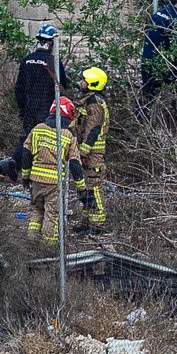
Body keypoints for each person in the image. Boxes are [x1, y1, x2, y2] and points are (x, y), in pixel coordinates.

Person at [15, 96, 90, 245]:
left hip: (36, 180)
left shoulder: (37, 130)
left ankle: (31, 242)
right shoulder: (68, 136)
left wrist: (25, 176)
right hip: (54, 184)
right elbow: (75, 164)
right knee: (52, 214)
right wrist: (82, 188)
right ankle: (49, 248)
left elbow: (26, 154)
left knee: (37, 210)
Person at [13, 24, 66, 152]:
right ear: (51, 42)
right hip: (48, 112)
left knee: (28, 141)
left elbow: (18, 89)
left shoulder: (26, 60)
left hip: (29, 110)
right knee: (45, 144)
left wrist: (23, 109)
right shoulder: (54, 63)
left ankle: (22, 167)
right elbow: (62, 89)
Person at [71, 67, 110, 232]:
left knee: (94, 186)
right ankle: (87, 222)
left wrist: (84, 151)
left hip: (93, 154)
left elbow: (92, 130)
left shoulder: (95, 104)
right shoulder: (88, 101)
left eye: (84, 80)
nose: (81, 82)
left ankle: (98, 224)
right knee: (85, 187)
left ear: (92, 83)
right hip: (87, 153)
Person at [140, 0, 177, 99]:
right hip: (164, 61)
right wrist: (176, 64)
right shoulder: (175, 20)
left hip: (147, 59)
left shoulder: (159, 13)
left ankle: (141, 114)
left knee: (148, 94)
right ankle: (176, 112)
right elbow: (175, 45)